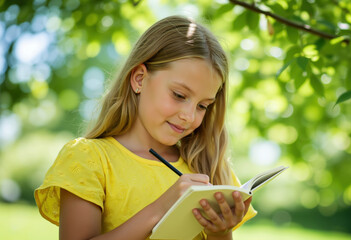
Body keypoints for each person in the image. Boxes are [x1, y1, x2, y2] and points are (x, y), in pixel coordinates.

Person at [34, 15, 256, 240]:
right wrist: (161, 209)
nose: (189, 116)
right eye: (179, 95)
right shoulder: (89, 158)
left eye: (202, 106)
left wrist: (220, 231)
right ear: (139, 79)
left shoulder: (206, 166)